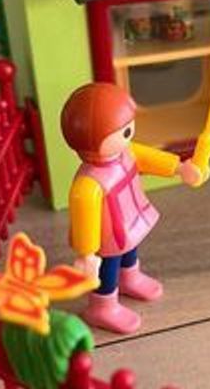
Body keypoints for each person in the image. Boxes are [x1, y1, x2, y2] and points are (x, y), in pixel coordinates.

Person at [61, 82, 202, 333]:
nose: (129, 133)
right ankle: (102, 306)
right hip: (107, 238)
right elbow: (84, 216)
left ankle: (130, 278)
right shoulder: (89, 183)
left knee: (130, 251)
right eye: (123, 130)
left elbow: (151, 158)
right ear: (92, 139)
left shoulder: (126, 153)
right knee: (109, 267)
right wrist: (86, 253)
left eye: (129, 127)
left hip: (130, 221)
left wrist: (180, 168)